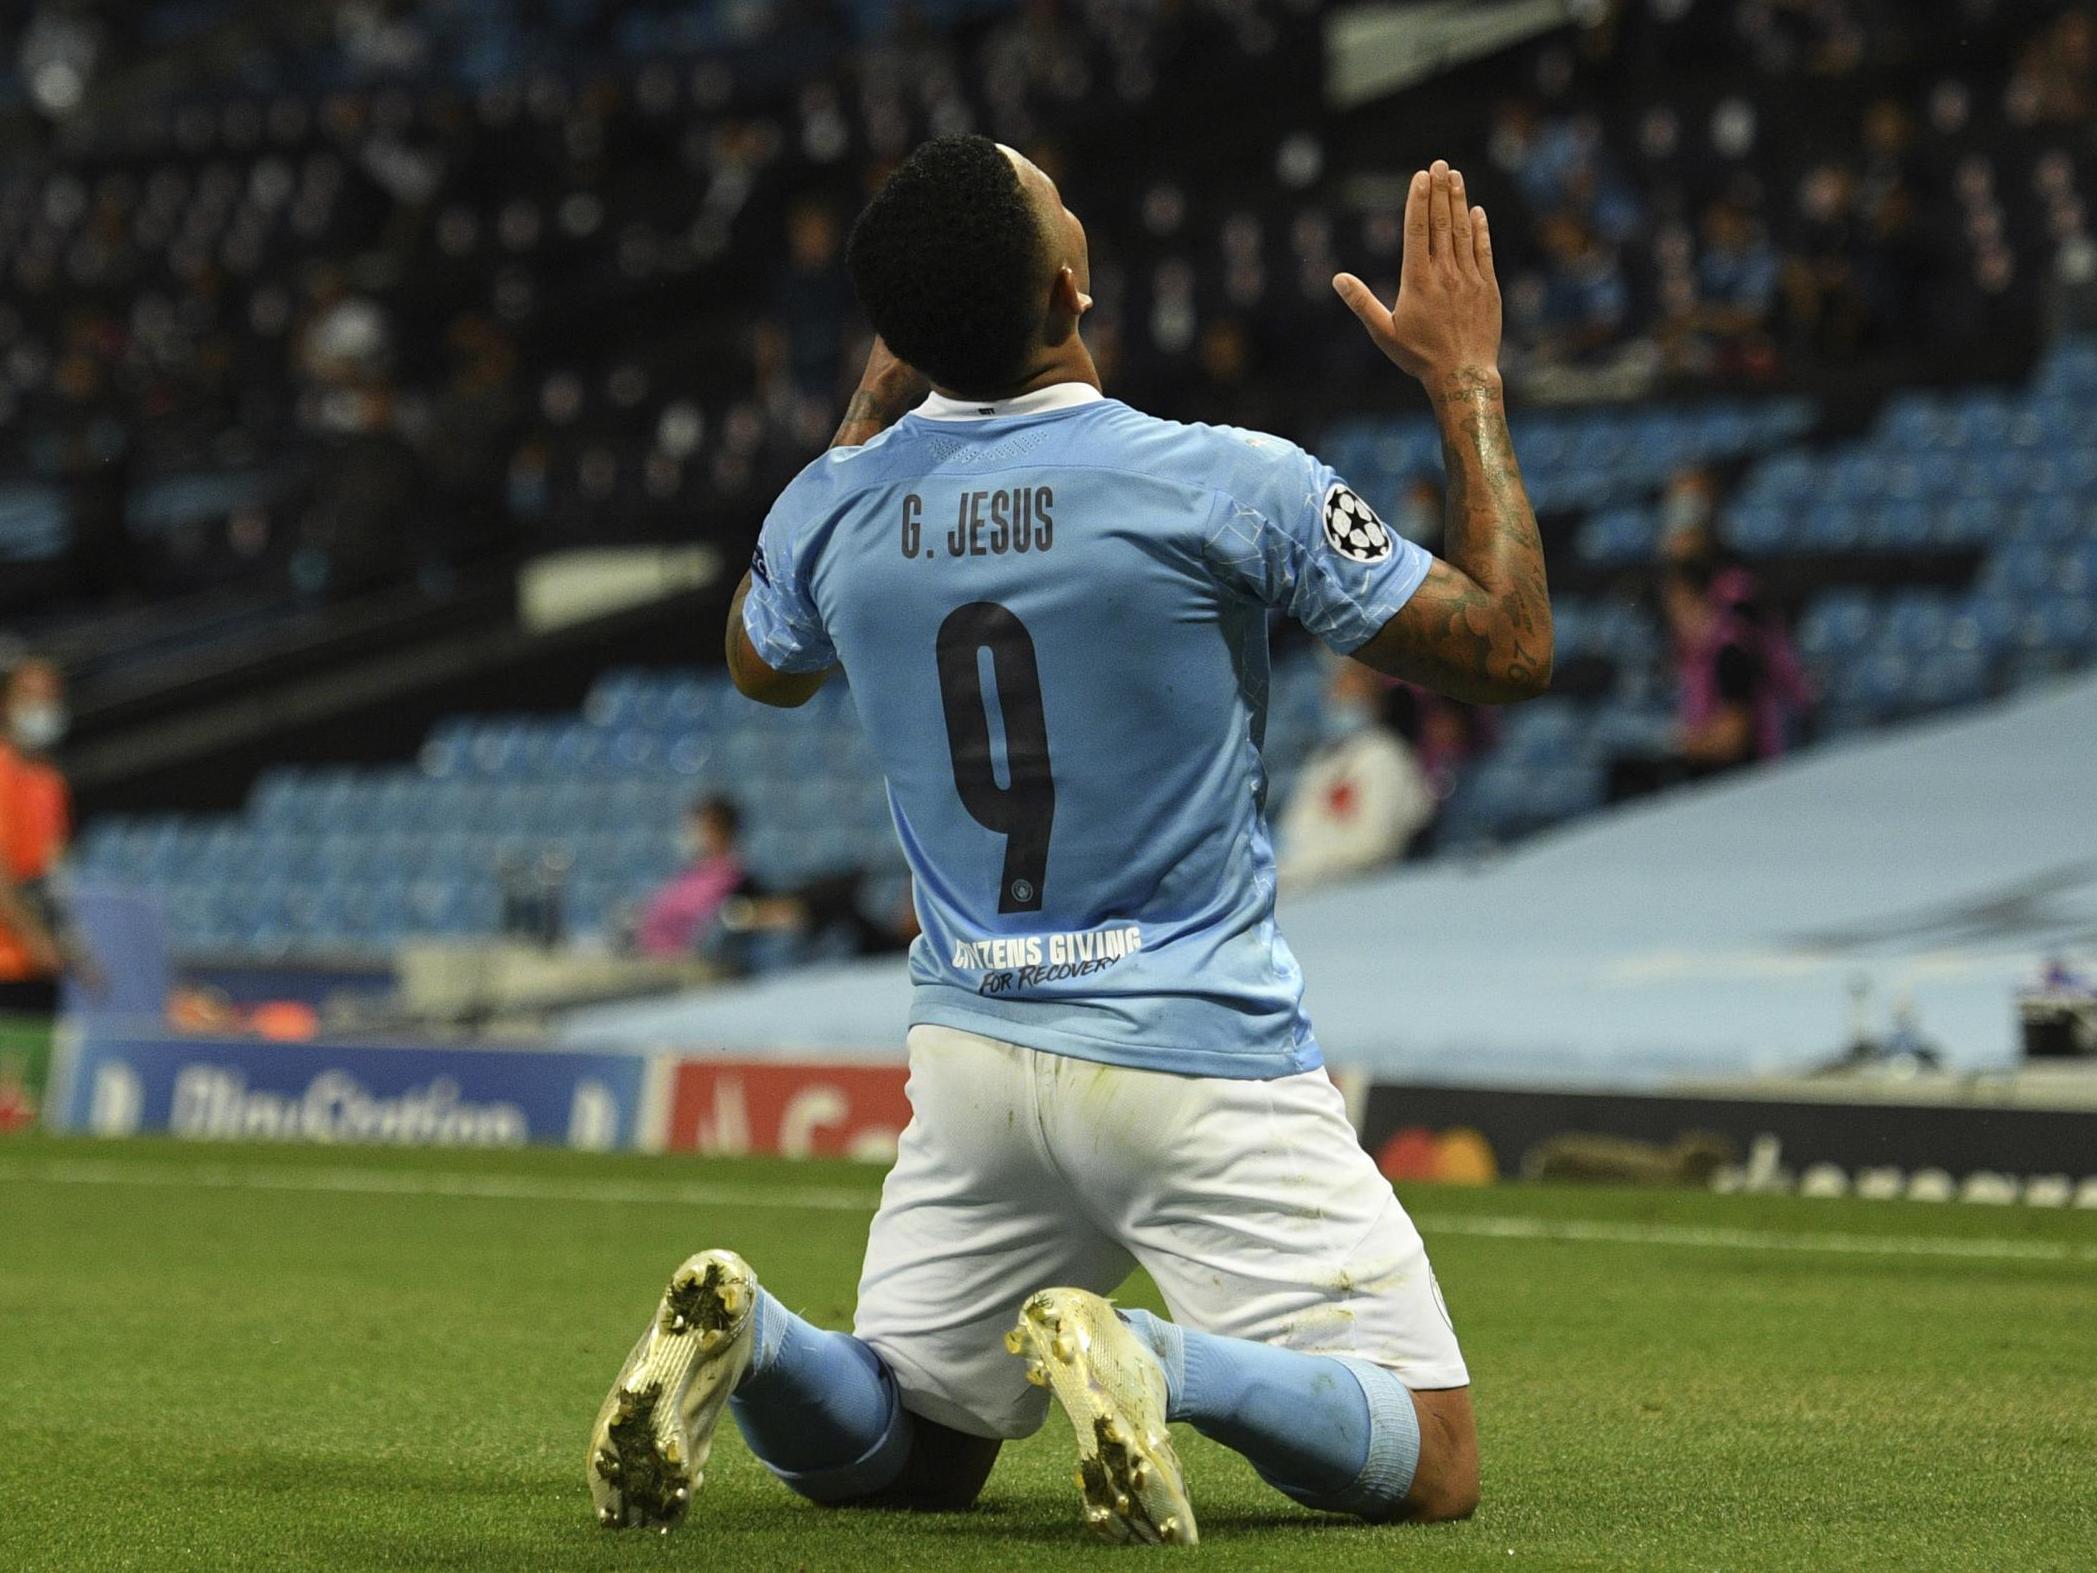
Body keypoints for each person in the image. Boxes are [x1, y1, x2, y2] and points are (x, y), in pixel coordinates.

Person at [586, 144, 1550, 1543]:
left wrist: (878, 393)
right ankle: (1152, 1357)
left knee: (917, 1443)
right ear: (1068, 284)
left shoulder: (827, 510)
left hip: (974, 1061)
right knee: (1437, 1451)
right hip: (1188, 1048)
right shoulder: (1218, 481)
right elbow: (1508, 644)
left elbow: (759, 662)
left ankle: (763, 1343)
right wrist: (1463, 376)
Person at [1610, 519, 1807, 799]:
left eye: (1675, 602)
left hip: (1750, 785)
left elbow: (1734, 738)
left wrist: (1675, 743)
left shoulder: (1731, 650)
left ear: (1690, 599)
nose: (1671, 614)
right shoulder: (1695, 654)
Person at [1276, 661, 1436, 891]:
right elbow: (1293, 831)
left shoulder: (1386, 753)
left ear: (1376, 699)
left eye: (1353, 687)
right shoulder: (1322, 760)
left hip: (1368, 888)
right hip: (1310, 884)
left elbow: (1375, 844)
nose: (1341, 695)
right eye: (1337, 687)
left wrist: (1310, 866)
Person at [0, 657, 73, 1015]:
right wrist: (38, 942)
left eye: (49, 696)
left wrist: (67, 944)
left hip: (39, 971)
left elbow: (52, 873)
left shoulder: (50, 781)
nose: (39, 706)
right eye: (28, 694)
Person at [634, 796, 749, 959]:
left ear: (718, 831)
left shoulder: (731, 880)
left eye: (697, 829)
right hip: (651, 956)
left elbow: (704, 932)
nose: (690, 835)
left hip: (683, 964)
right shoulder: (691, 874)